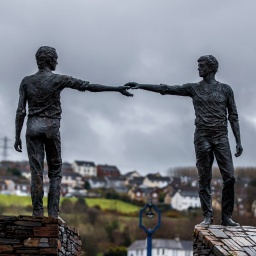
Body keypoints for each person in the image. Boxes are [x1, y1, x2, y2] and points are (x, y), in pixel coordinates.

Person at [14, 46, 132, 218]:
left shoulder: (26, 81)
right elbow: (88, 86)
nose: (57, 62)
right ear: (49, 60)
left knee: (36, 171)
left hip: (32, 127)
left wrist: (17, 135)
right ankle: (53, 214)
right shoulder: (58, 79)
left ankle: (37, 212)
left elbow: (20, 111)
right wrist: (116, 88)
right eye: (55, 58)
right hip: (51, 127)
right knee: (55, 172)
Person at [126, 55, 243, 226]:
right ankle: (208, 216)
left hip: (221, 137)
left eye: (201, 65)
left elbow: (233, 116)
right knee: (204, 178)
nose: (198, 68)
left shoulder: (226, 90)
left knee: (230, 177)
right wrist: (141, 86)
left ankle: (226, 216)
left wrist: (238, 141)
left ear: (211, 68)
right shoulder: (194, 88)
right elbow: (167, 89)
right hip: (202, 137)